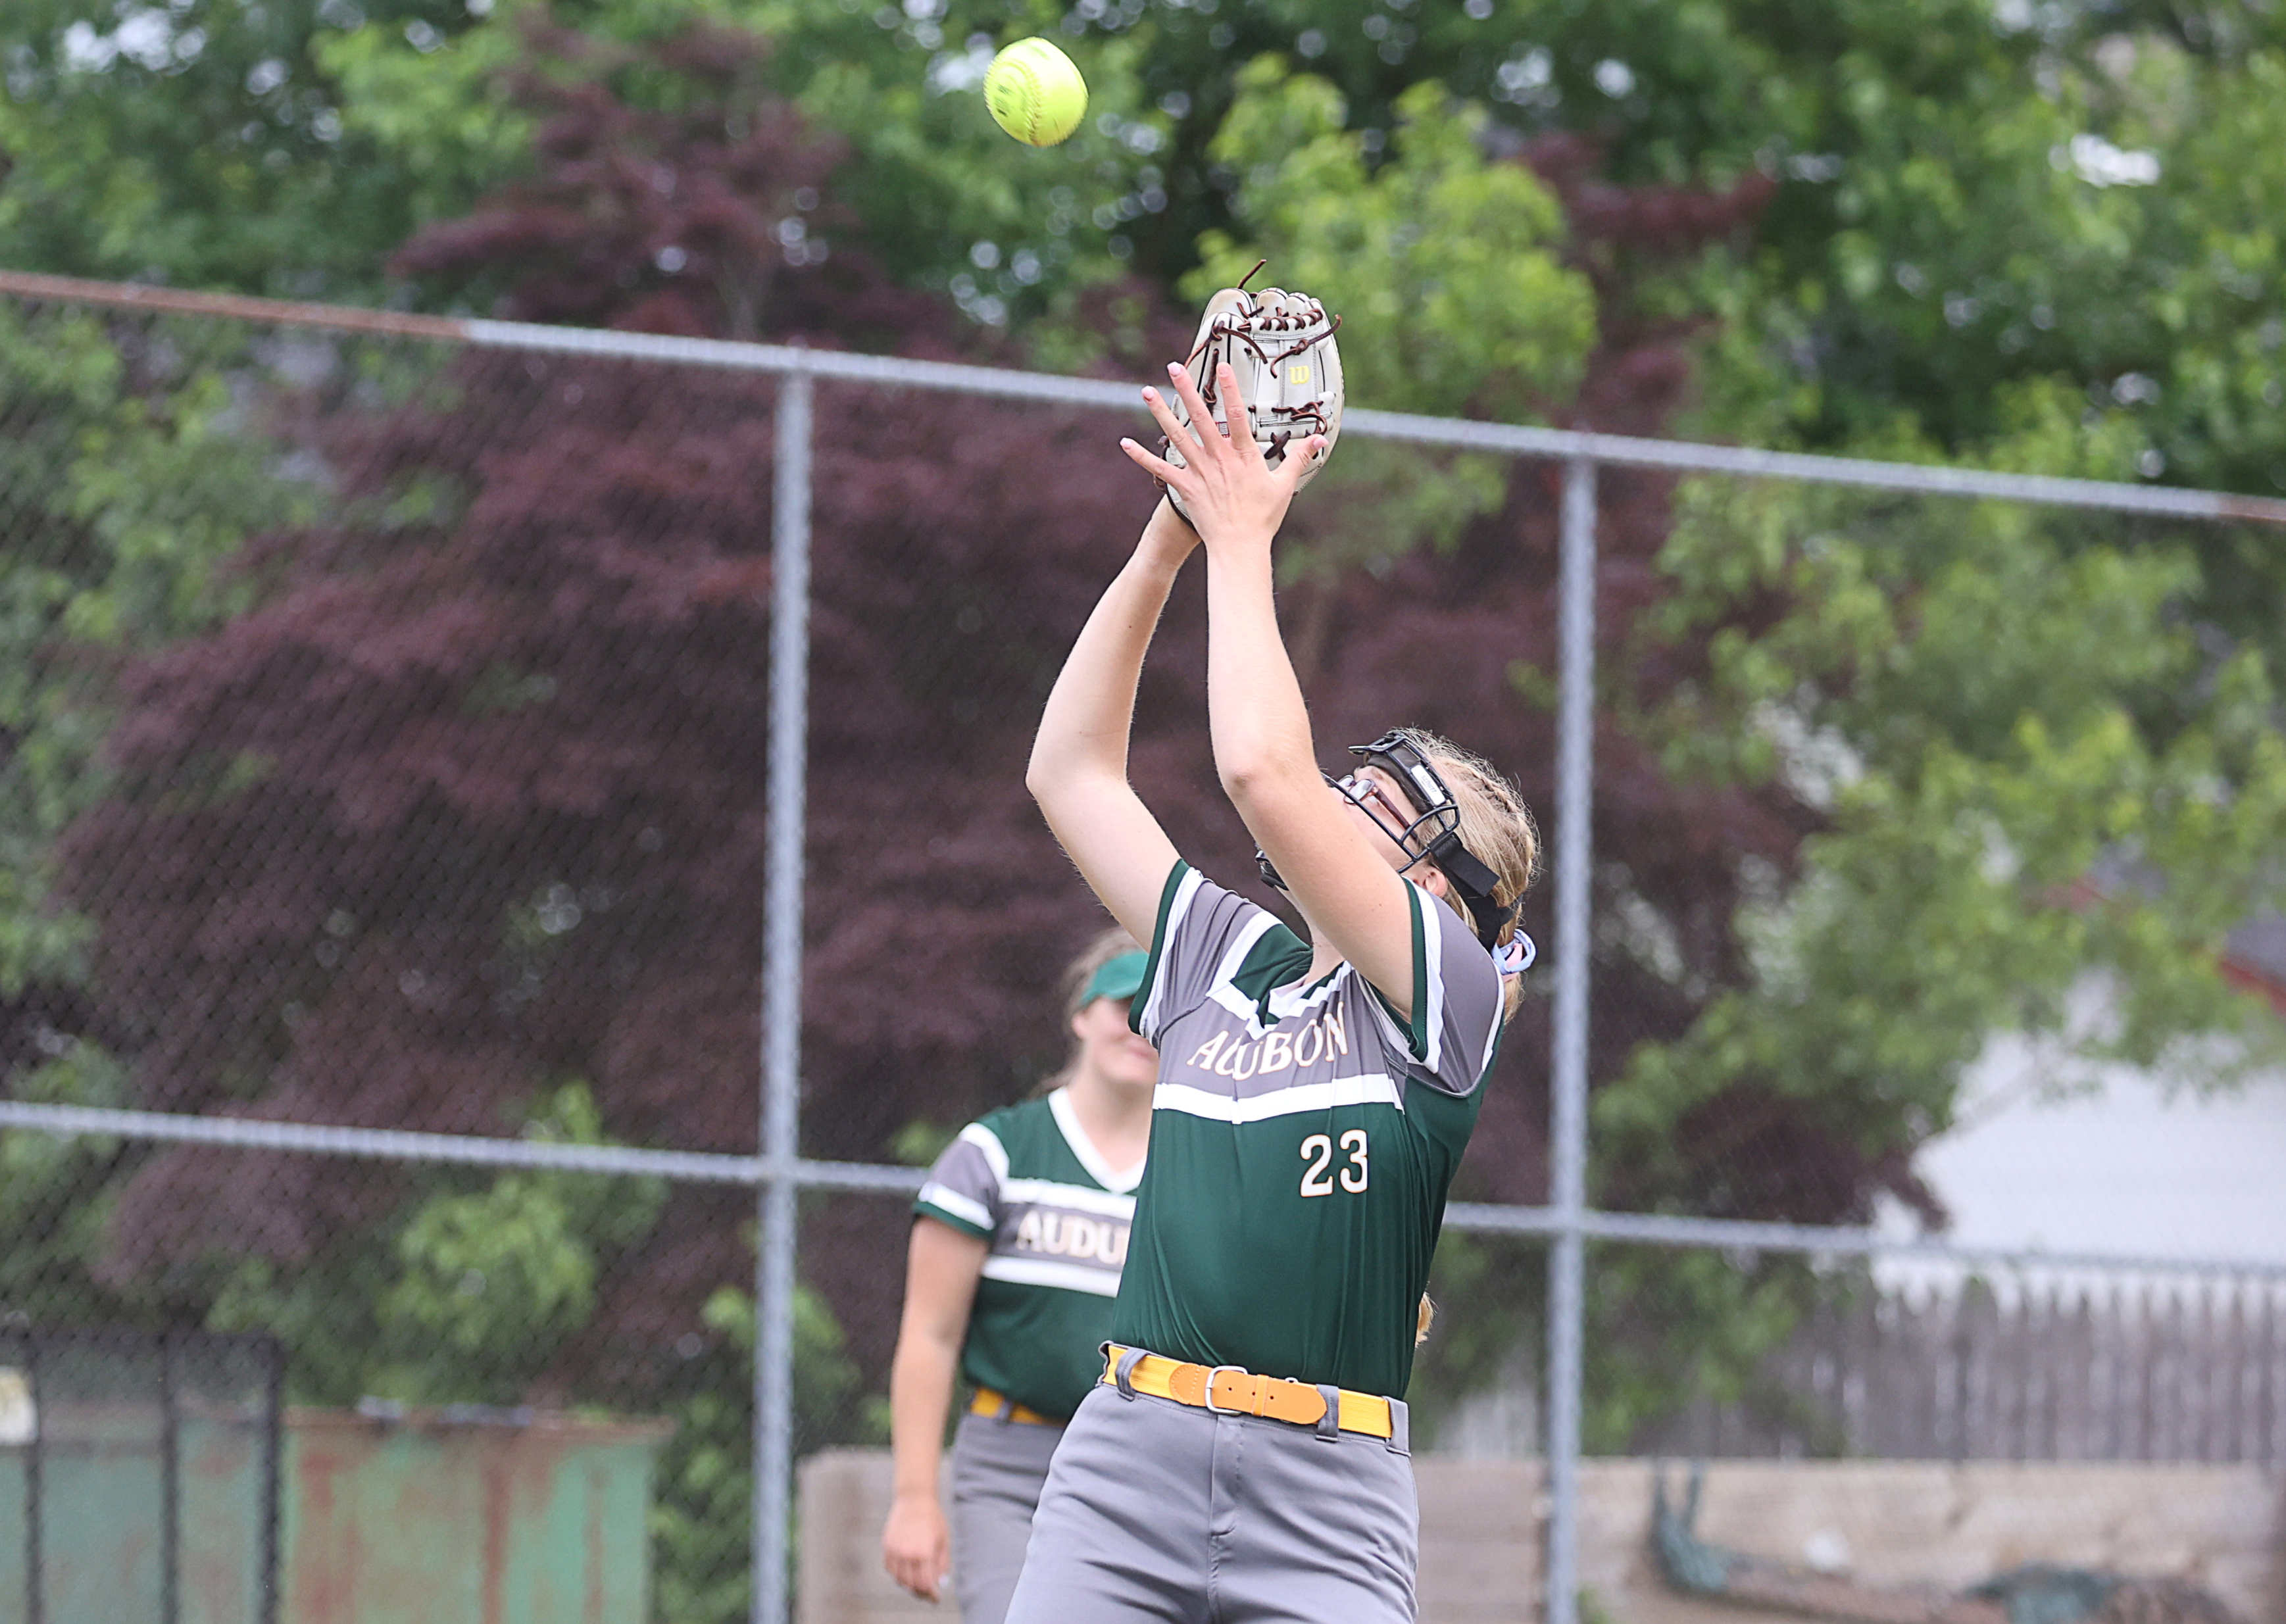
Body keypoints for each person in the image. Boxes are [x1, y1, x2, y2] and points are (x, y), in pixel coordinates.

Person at [1005, 354, 1541, 1624]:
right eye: (1361, 780)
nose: (1348, 798)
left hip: (1329, 1494)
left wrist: (1247, 531)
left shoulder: (1443, 998)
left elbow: (1260, 766)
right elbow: (1070, 772)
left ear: (1447, 892)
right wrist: (1169, 544)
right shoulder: (1223, 959)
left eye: (1392, 808)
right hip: (1126, 1458)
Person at [881, 928, 1157, 1623]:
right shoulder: (995, 1154)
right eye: (1126, 1003)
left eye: (1162, 1011)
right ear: (1081, 1017)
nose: (1141, 1026)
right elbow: (930, 1335)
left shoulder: (1204, 1174)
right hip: (1010, 1466)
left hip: (1151, 1470)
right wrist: (915, 1498)